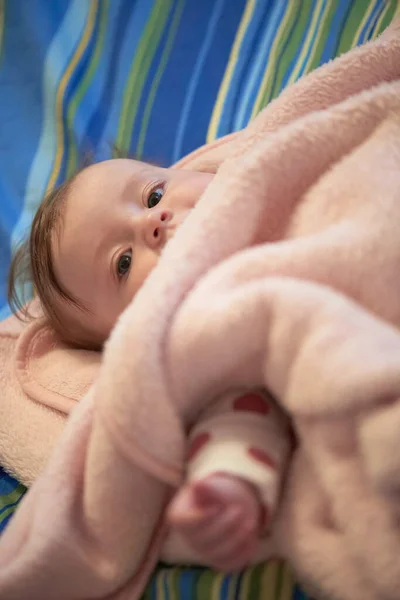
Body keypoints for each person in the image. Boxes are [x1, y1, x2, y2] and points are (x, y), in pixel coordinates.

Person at [8, 158, 291, 571]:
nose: (153, 221)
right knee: (237, 417)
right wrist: (225, 490)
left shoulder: (273, 177)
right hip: (295, 354)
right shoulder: (196, 356)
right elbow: (235, 420)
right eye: (123, 262)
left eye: (153, 194)